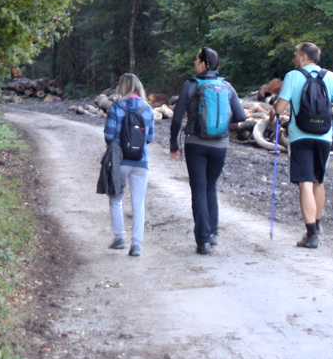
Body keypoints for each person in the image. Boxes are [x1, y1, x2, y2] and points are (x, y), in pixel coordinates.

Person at [169, 48, 247, 256]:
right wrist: (222, 123)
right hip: (220, 146)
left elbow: (176, 118)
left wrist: (173, 144)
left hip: (195, 144)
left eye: (197, 60)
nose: (194, 63)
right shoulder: (227, 86)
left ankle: (202, 240)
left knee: (199, 189)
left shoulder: (191, 85)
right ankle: (212, 233)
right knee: (210, 186)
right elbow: (241, 116)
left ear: (204, 63)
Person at [272, 42, 333, 249]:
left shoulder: (293, 76)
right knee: (318, 181)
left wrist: (275, 109)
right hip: (324, 136)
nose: (294, 59)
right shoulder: (330, 76)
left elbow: (279, 108)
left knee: (305, 182)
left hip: (300, 136)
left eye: (296, 55)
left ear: (304, 57)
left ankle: (311, 234)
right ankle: (318, 225)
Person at [103, 73, 156, 257]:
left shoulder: (116, 107)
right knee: (138, 203)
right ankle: (136, 244)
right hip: (141, 161)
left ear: (122, 87)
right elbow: (150, 137)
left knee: (116, 198)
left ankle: (119, 237)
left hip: (120, 160)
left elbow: (109, 135)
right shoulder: (147, 109)